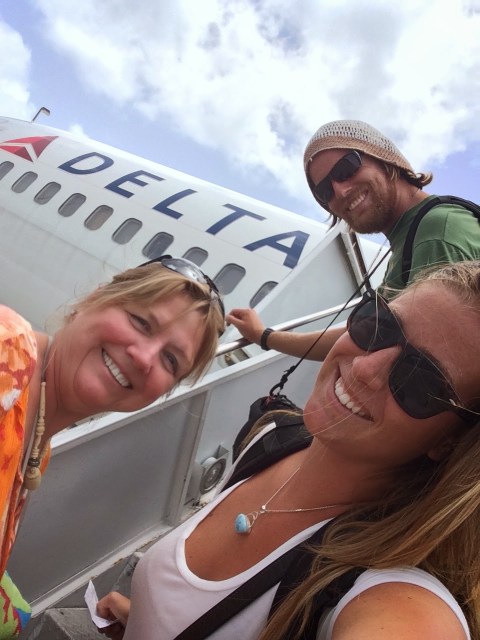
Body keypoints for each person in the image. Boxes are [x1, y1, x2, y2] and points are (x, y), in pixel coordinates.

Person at [97, 260, 480, 640]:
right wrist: (151, 616)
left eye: (420, 379)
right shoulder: (273, 436)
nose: (365, 369)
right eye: (379, 325)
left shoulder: (392, 593)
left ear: (450, 440)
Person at [0, 255, 225, 639]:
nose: (144, 357)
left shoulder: (37, 442)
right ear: (95, 298)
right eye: (140, 322)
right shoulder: (9, 353)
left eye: (171, 360)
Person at [226, 119, 480, 361]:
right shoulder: (409, 239)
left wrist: (265, 337)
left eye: (346, 168)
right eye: (325, 191)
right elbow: (362, 337)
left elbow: (435, 363)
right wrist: (265, 336)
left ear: (384, 157)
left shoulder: (436, 233)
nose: (340, 191)